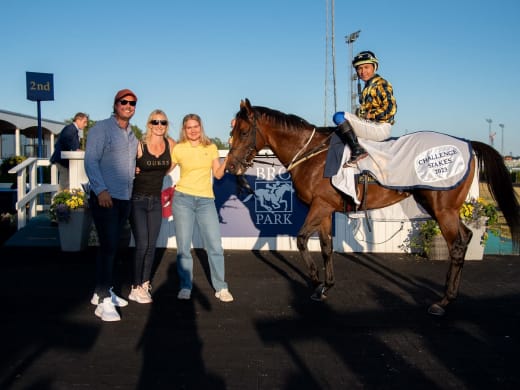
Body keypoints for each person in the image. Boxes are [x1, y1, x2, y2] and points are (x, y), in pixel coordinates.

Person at [84, 89, 139, 322]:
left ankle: (101, 292)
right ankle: (104, 300)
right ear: (116, 105)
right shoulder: (101, 129)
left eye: (132, 103)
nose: (128, 106)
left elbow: (127, 162)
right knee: (108, 247)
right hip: (106, 198)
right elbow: (90, 161)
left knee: (113, 248)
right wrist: (101, 190)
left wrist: (133, 170)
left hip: (124, 198)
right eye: (124, 102)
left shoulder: (132, 135)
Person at [171, 113, 233, 302]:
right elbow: (164, 169)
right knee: (183, 247)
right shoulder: (179, 148)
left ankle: (221, 287)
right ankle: (185, 286)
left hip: (206, 201)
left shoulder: (211, 147)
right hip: (182, 200)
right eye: (189, 127)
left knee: (215, 245)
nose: (193, 130)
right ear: (184, 129)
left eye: (195, 126)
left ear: (201, 127)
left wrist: (230, 154)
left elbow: (219, 174)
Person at [128, 109, 176, 304]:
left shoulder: (170, 144)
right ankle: (135, 286)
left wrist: (164, 170)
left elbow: (173, 163)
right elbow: (124, 163)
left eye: (163, 122)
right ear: (149, 124)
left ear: (166, 125)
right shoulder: (139, 145)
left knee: (151, 245)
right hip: (137, 200)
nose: (159, 126)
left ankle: (144, 284)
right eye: (155, 122)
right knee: (142, 244)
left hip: (155, 201)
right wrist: (133, 168)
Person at [333, 50, 397, 167]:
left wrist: (371, 115)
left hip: (380, 128)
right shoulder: (367, 88)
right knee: (338, 131)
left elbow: (391, 109)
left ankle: (357, 151)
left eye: (366, 67)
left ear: (374, 67)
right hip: (372, 126)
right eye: (359, 68)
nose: (362, 71)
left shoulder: (381, 83)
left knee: (339, 117)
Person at [50, 112, 89, 190]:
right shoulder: (70, 129)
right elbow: (65, 140)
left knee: (66, 184)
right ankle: (62, 201)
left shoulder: (73, 129)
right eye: (84, 122)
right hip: (63, 162)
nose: (86, 125)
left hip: (66, 162)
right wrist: (75, 149)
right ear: (78, 120)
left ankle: (65, 200)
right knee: (65, 185)